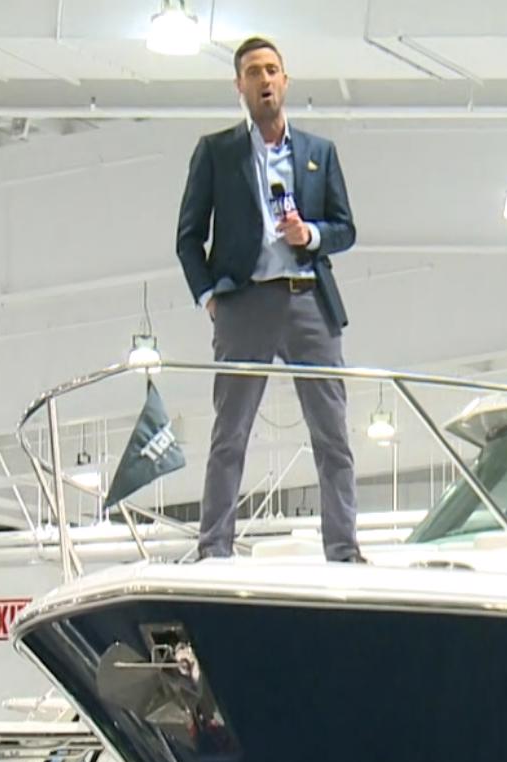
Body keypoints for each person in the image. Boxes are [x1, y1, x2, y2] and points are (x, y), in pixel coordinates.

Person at [176, 36, 362, 563]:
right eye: (254, 71)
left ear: (285, 81)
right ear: (239, 85)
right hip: (245, 303)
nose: (264, 79)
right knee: (229, 433)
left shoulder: (318, 154)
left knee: (332, 434)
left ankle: (343, 549)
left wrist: (312, 235)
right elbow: (188, 236)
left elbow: (346, 228)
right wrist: (211, 297)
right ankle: (214, 546)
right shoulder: (216, 152)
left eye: (272, 70)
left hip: (308, 302)